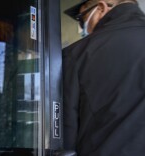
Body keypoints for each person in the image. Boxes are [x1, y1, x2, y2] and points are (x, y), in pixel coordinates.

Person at [62, 0, 145, 155]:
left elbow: (67, 131)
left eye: (81, 18)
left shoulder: (77, 54)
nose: (82, 26)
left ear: (100, 8)